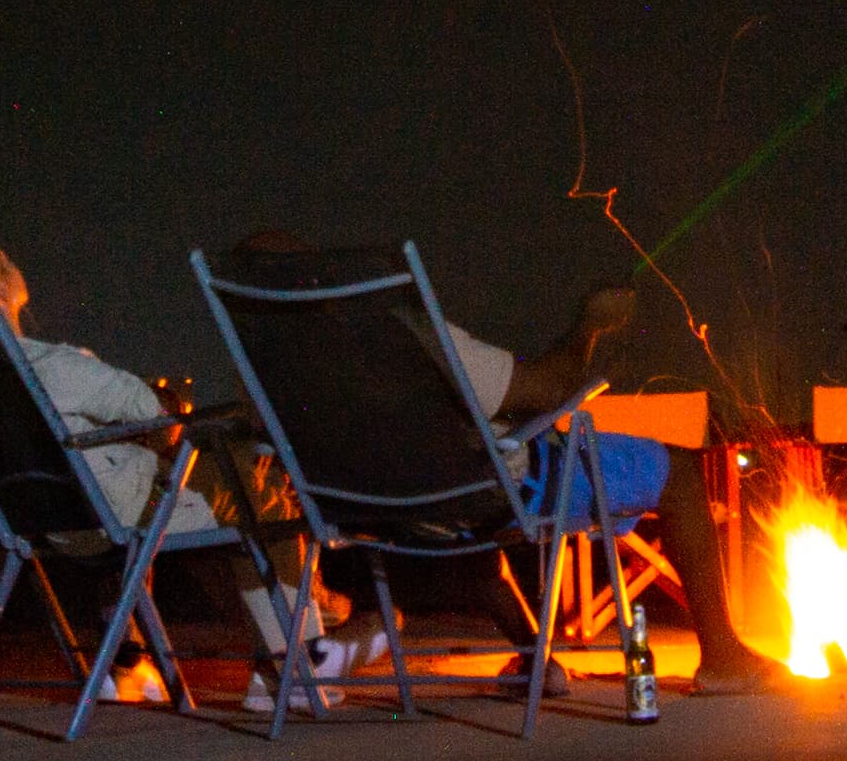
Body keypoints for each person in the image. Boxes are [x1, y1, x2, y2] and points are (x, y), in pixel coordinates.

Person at [224, 233, 779, 696]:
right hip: (487, 491)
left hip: (379, 515)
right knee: (678, 473)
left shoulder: (267, 376)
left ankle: (533, 660)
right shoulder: (403, 336)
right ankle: (725, 659)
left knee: (467, 518)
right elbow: (547, 389)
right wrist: (590, 326)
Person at [0, 233, 345, 708]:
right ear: (4, 286)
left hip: (40, 519)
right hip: (119, 515)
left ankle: (125, 660)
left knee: (165, 484)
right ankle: (295, 667)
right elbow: (150, 411)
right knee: (260, 492)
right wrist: (167, 403)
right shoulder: (51, 364)